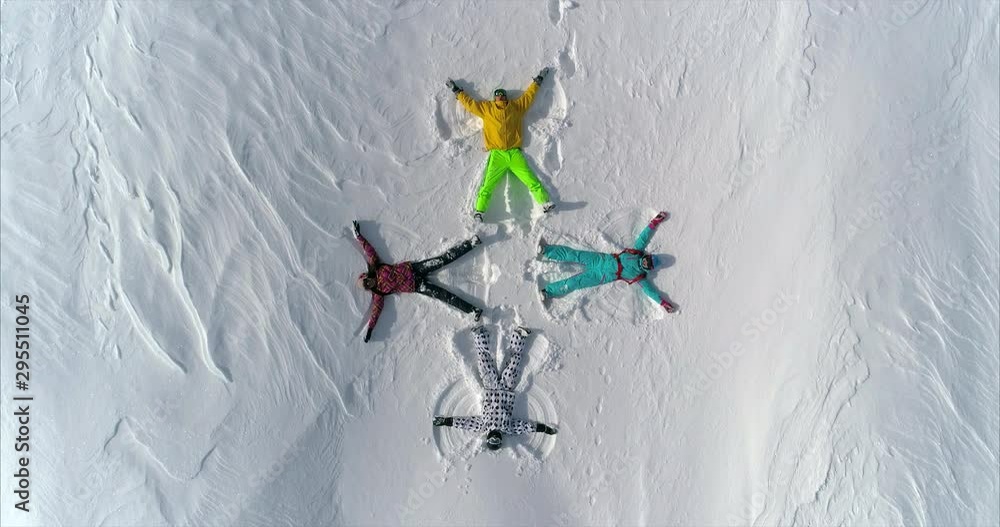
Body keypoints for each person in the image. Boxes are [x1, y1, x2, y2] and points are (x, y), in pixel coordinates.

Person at [445, 69, 556, 222]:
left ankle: (545, 202)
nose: (500, 97)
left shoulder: (516, 106)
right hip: (497, 155)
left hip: (514, 153)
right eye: (497, 96)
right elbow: (470, 104)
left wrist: (538, 81)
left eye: (502, 95)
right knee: (488, 184)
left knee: (530, 179)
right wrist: (457, 91)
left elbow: (529, 96)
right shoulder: (487, 108)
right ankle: (480, 211)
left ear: (505, 97)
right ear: (495, 98)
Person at [353, 221, 483, 342]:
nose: (368, 284)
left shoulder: (377, 267)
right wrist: (370, 329)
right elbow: (376, 311)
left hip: (414, 269)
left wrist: (359, 236)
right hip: (416, 286)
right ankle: (472, 310)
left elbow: (369, 250)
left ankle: (471, 243)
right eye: (366, 286)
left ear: (366, 276)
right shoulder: (378, 293)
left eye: (366, 281)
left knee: (442, 259)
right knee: (444, 296)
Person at [433, 326, 557, 451]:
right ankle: (519, 336)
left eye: (492, 440)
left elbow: (465, 423)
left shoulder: (483, 426)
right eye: (497, 441)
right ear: (501, 440)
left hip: (490, 387)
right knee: (514, 363)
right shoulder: (508, 428)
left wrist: (445, 421)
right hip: (507, 388)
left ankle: (479, 334)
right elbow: (524, 426)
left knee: (485, 361)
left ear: (488, 438)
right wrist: (544, 429)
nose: (495, 438)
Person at [539, 212, 676, 312]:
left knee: (574, 283)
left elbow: (650, 292)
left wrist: (663, 303)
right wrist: (654, 222)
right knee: (574, 254)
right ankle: (546, 251)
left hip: (601, 277)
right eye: (647, 260)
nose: (645, 263)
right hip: (600, 259)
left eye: (648, 265)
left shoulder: (639, 277)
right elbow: (644, 237)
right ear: (647, 256)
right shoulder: (637, 251)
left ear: (649, 269)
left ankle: (548, 292)